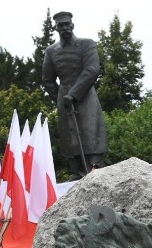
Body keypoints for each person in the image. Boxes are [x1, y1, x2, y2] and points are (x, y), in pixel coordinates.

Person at [42, 11, 108, 181]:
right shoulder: (51, 51)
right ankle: (77, 172)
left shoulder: (87, 44)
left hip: (85, 97)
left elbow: (92, 70)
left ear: (72, 25)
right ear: (56, 28)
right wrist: (61, 98)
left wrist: (73, 94)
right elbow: (47, 79)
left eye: (66, 24)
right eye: (60, 25)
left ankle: (95, 166)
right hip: (64, 100)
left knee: (91, 133)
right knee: (69, 138)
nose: (64, 28)